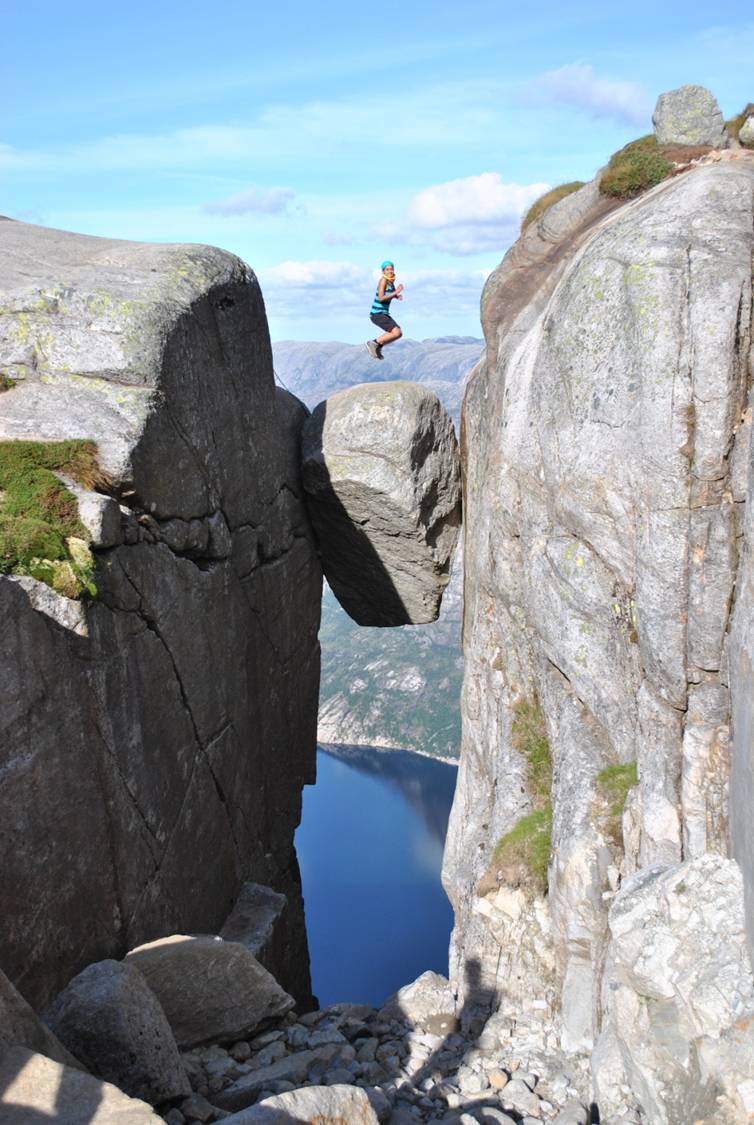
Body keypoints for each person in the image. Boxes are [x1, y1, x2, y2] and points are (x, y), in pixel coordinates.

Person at [366, 260, 404, 360]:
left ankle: (378, 345)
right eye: (387, 269)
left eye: (391, 269)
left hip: (383, 313)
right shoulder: (383, 280)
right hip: (377, 314)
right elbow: (381, 298)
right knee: (396, 332)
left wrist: (396, 296)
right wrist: (396, 291)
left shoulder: (391, 281)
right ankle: (374, 343)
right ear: (383, 271)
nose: (390, 271)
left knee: (398, 333)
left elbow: (389, 293)